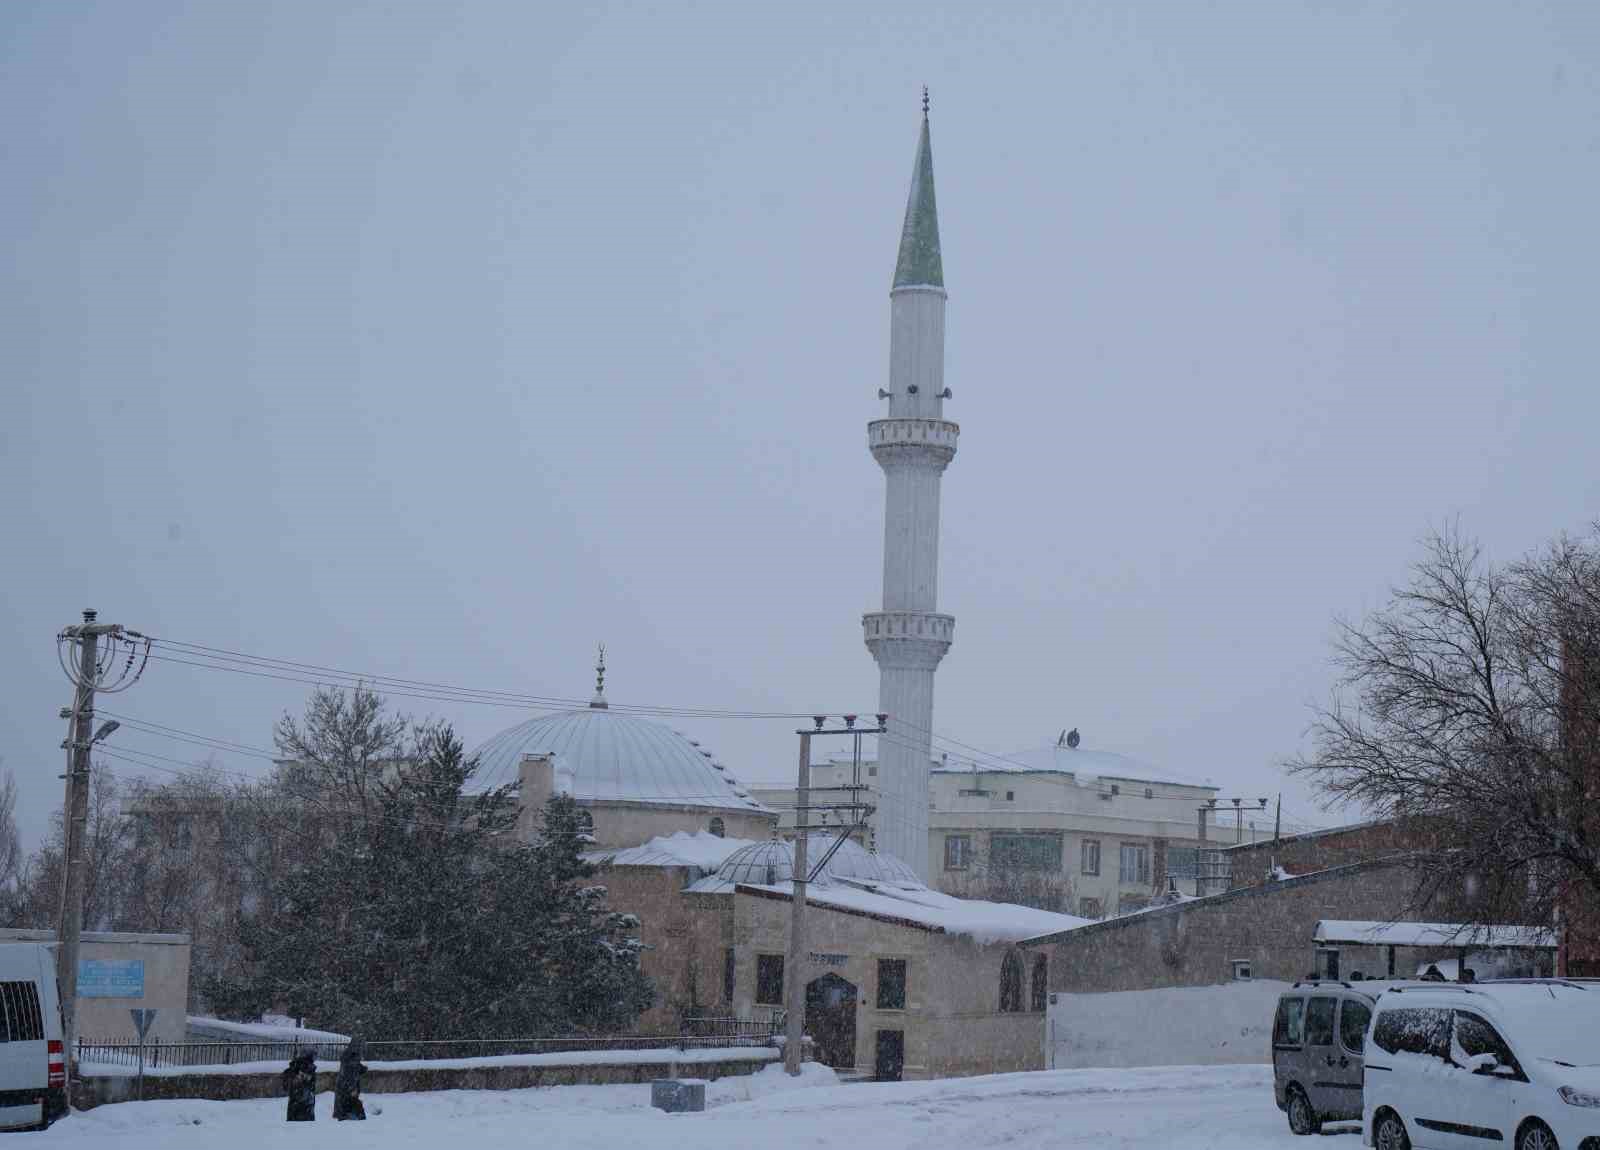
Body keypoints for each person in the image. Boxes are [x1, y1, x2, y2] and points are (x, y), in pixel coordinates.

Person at [333, 1038, 369, 1121]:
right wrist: (352, 1089)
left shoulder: (352, 1055)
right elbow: (349, 1074)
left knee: (350, 1108)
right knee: (347, 1110)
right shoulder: (350, 1056)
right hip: (347, 1089)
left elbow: (356, 1067)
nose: (361, 1048)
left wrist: (362, 1069)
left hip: (348, 1089)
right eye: (360, 1046)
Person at [282, 1049, 317, 1122]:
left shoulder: (294, 1066)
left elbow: (286, 1086)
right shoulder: (306, 1067)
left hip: (295, 1104)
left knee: (293, 1126)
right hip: (304, 1103)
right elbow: (307, 1082)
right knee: (304, 1126)